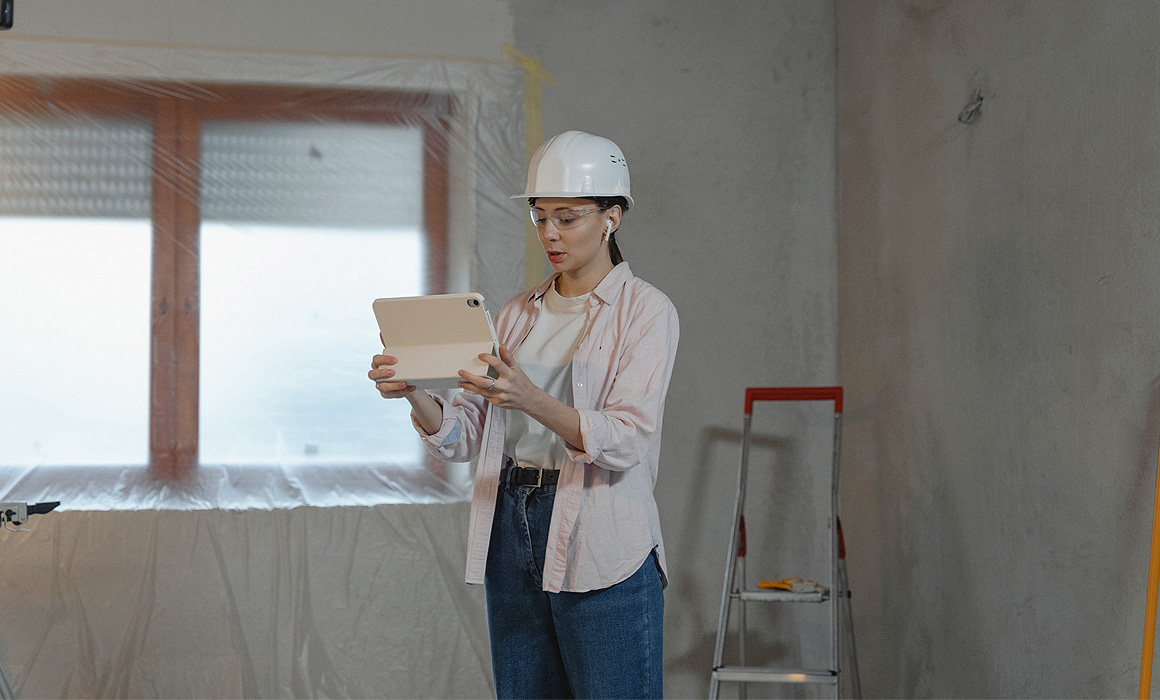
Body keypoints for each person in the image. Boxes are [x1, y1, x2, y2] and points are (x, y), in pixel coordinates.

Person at [369, 130, 679, 699]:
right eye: (540, 218)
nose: (550, 234)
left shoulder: (647, 312)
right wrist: (413, 392)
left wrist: (531, 398)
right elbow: (466, 435)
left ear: (612, 216)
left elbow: (627, 440)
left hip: (601, 529)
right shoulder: (515, 314)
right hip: (511, 524)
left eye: (568, 217)